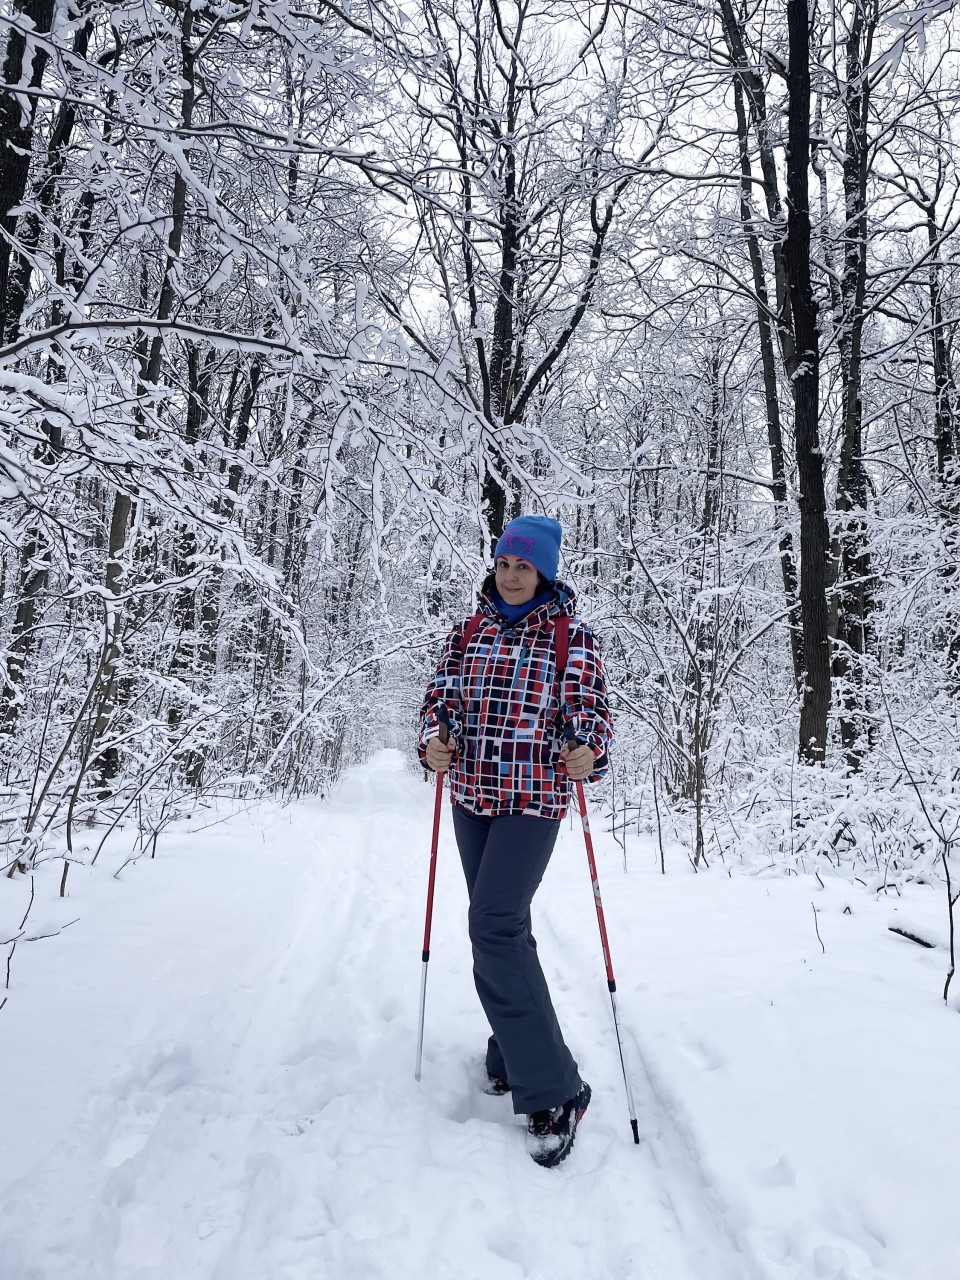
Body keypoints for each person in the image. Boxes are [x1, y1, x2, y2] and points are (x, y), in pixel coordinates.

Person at [418, 514, 613, 1168]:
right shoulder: (467, 632)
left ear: (545, 572)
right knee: (500, 926)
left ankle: (556, 1090)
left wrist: (588, 751)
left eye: (524, 566)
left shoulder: (570, 639)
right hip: (473, 797)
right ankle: (512, 1047)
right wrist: (435, 741)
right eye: (504, 563)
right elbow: (440, 701)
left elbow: (591, 718)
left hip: (533, 799)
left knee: (493, 925)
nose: (511, 574)